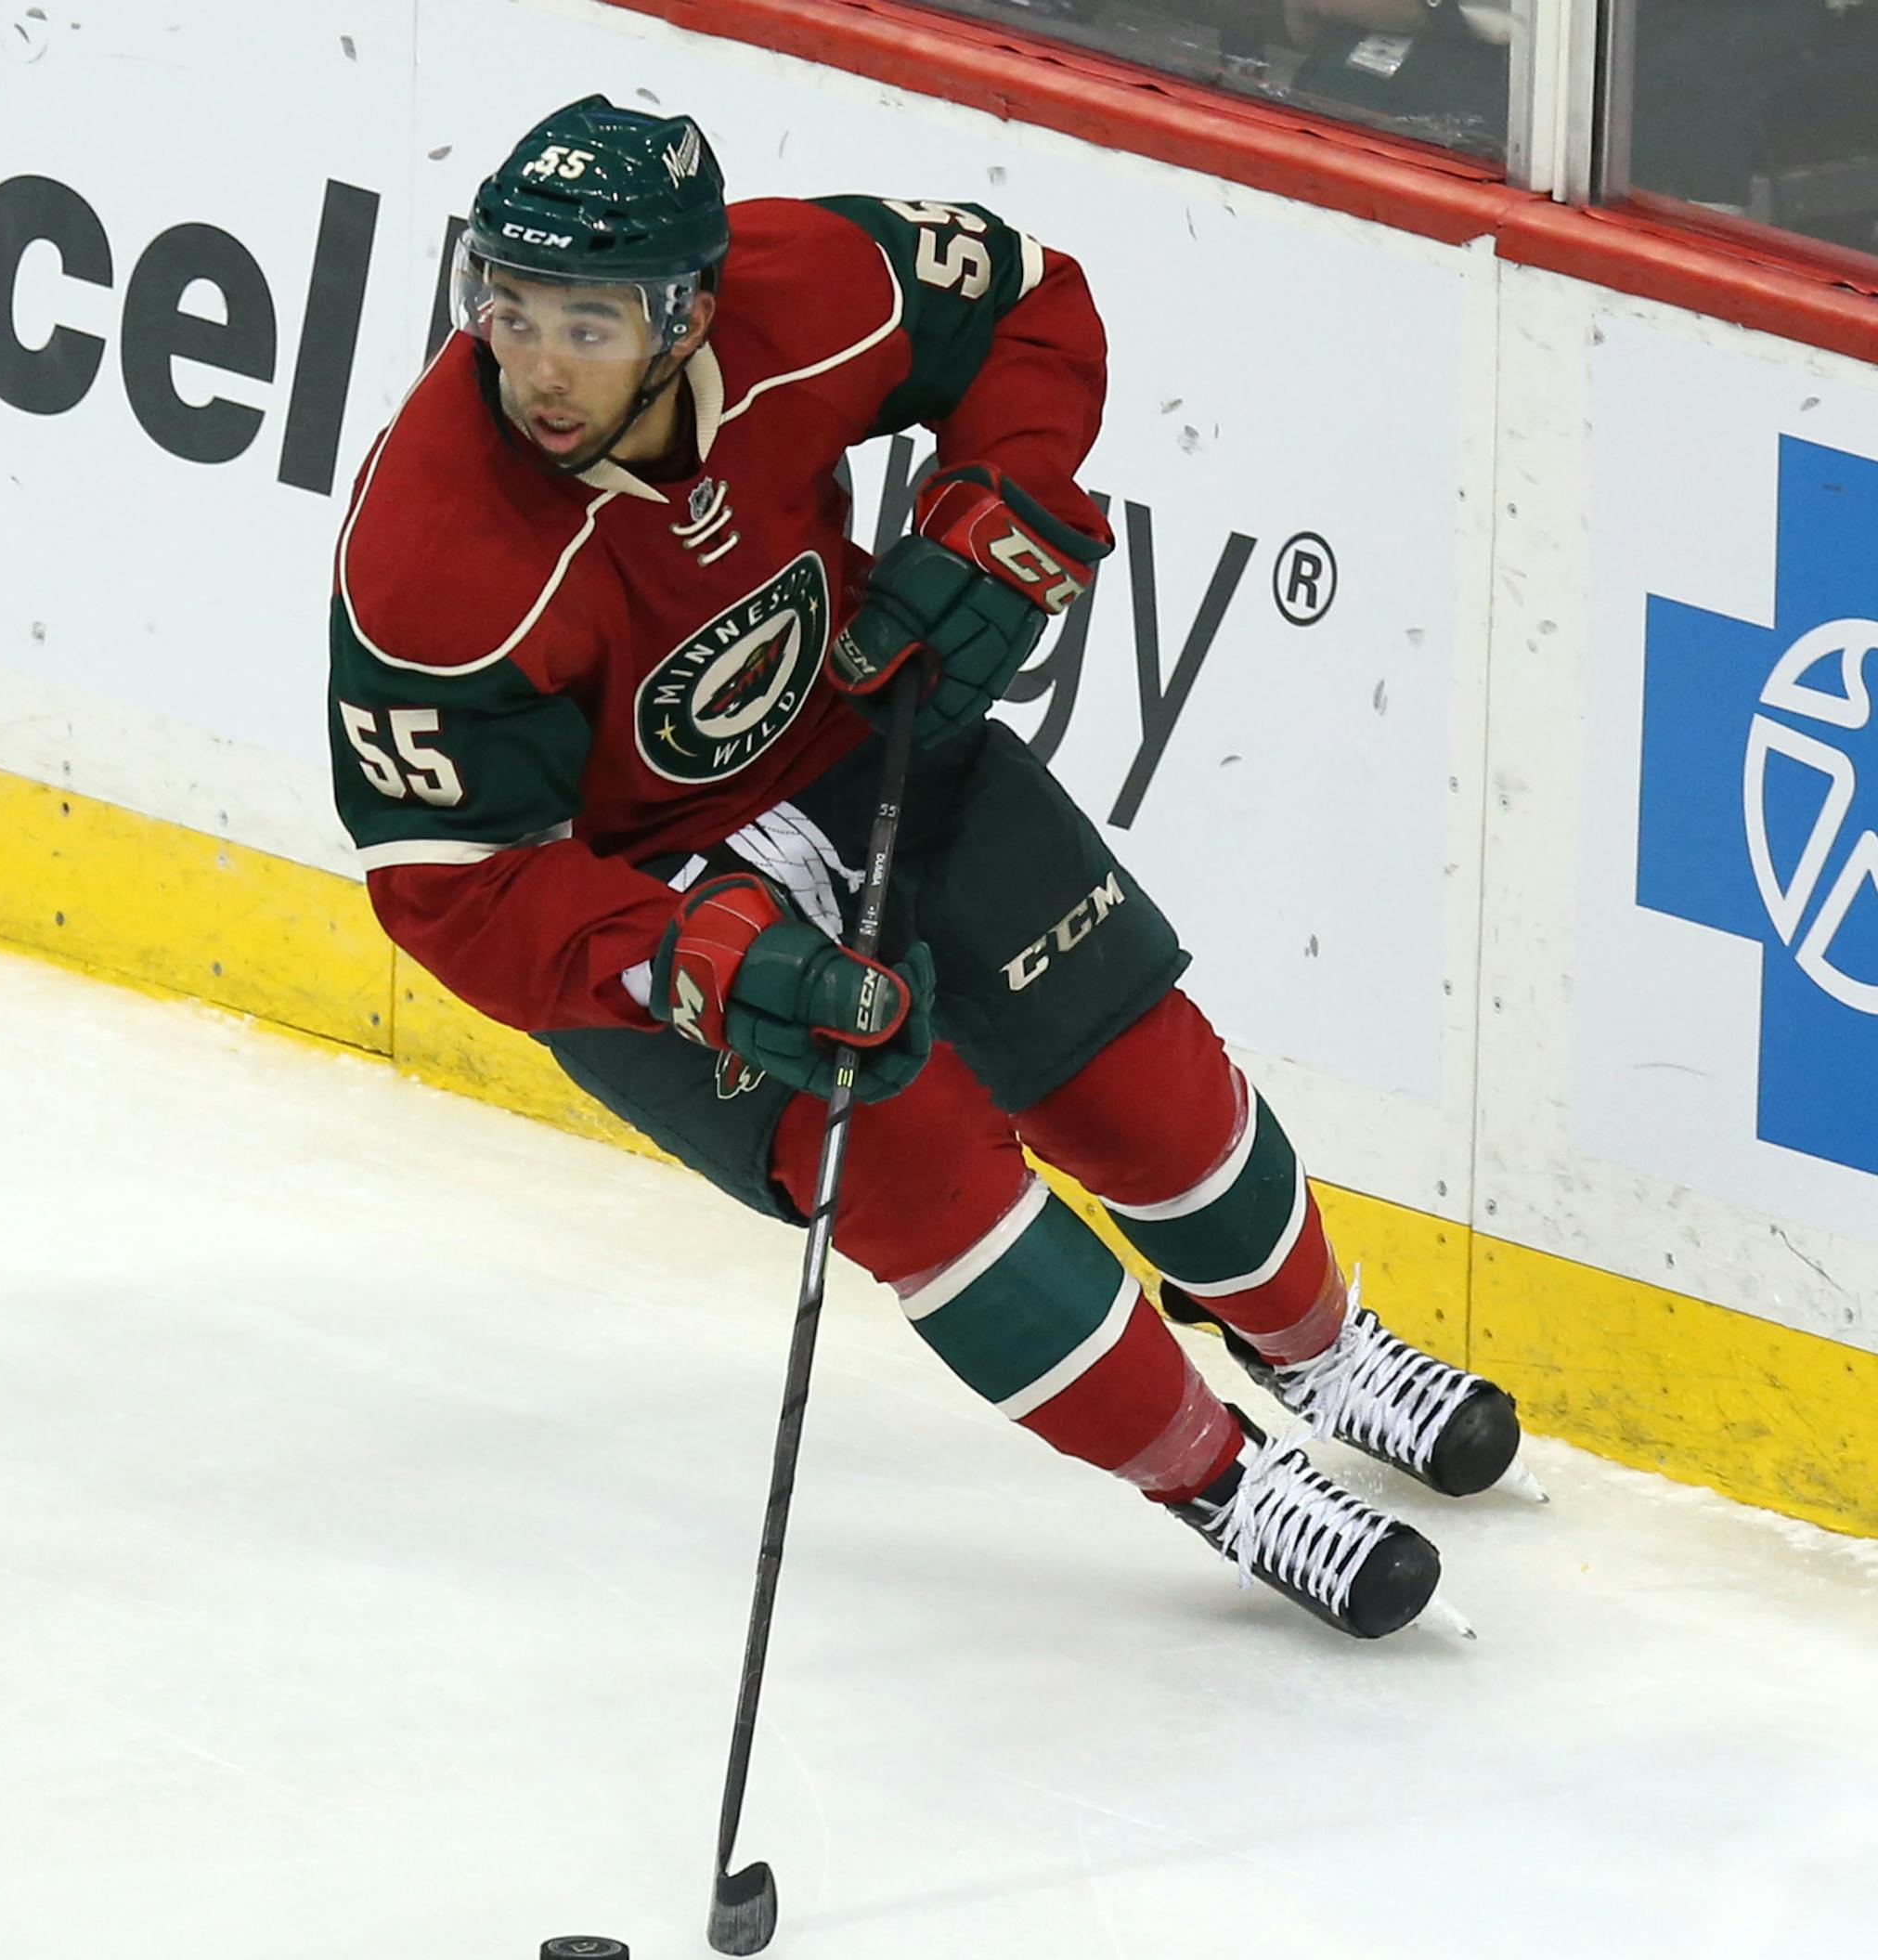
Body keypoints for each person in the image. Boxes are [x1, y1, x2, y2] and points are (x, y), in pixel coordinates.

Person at [327, 96, 1531, 1642]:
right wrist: (692, 963)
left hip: (863, 737)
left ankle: (1321, 1350)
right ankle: (1220, 1480)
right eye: (508, 308)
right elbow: (457, 884)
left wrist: (1000, 504)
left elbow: (1027, 304)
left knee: (1130, 1069)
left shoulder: (808, 289)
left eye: (589, 320)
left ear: (688, 311)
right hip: (658, 900)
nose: (537, 366)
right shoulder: (437, 558)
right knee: (925, 1175)